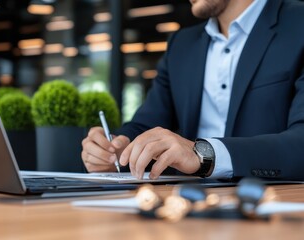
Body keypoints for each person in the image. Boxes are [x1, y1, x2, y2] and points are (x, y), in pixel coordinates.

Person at [81, 0, 304, 181]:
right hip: (184, 205)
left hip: (272, 204)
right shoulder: (181, 44)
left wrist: (202, 154)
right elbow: (146, 124)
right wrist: (117, 150)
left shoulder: (298, 24)